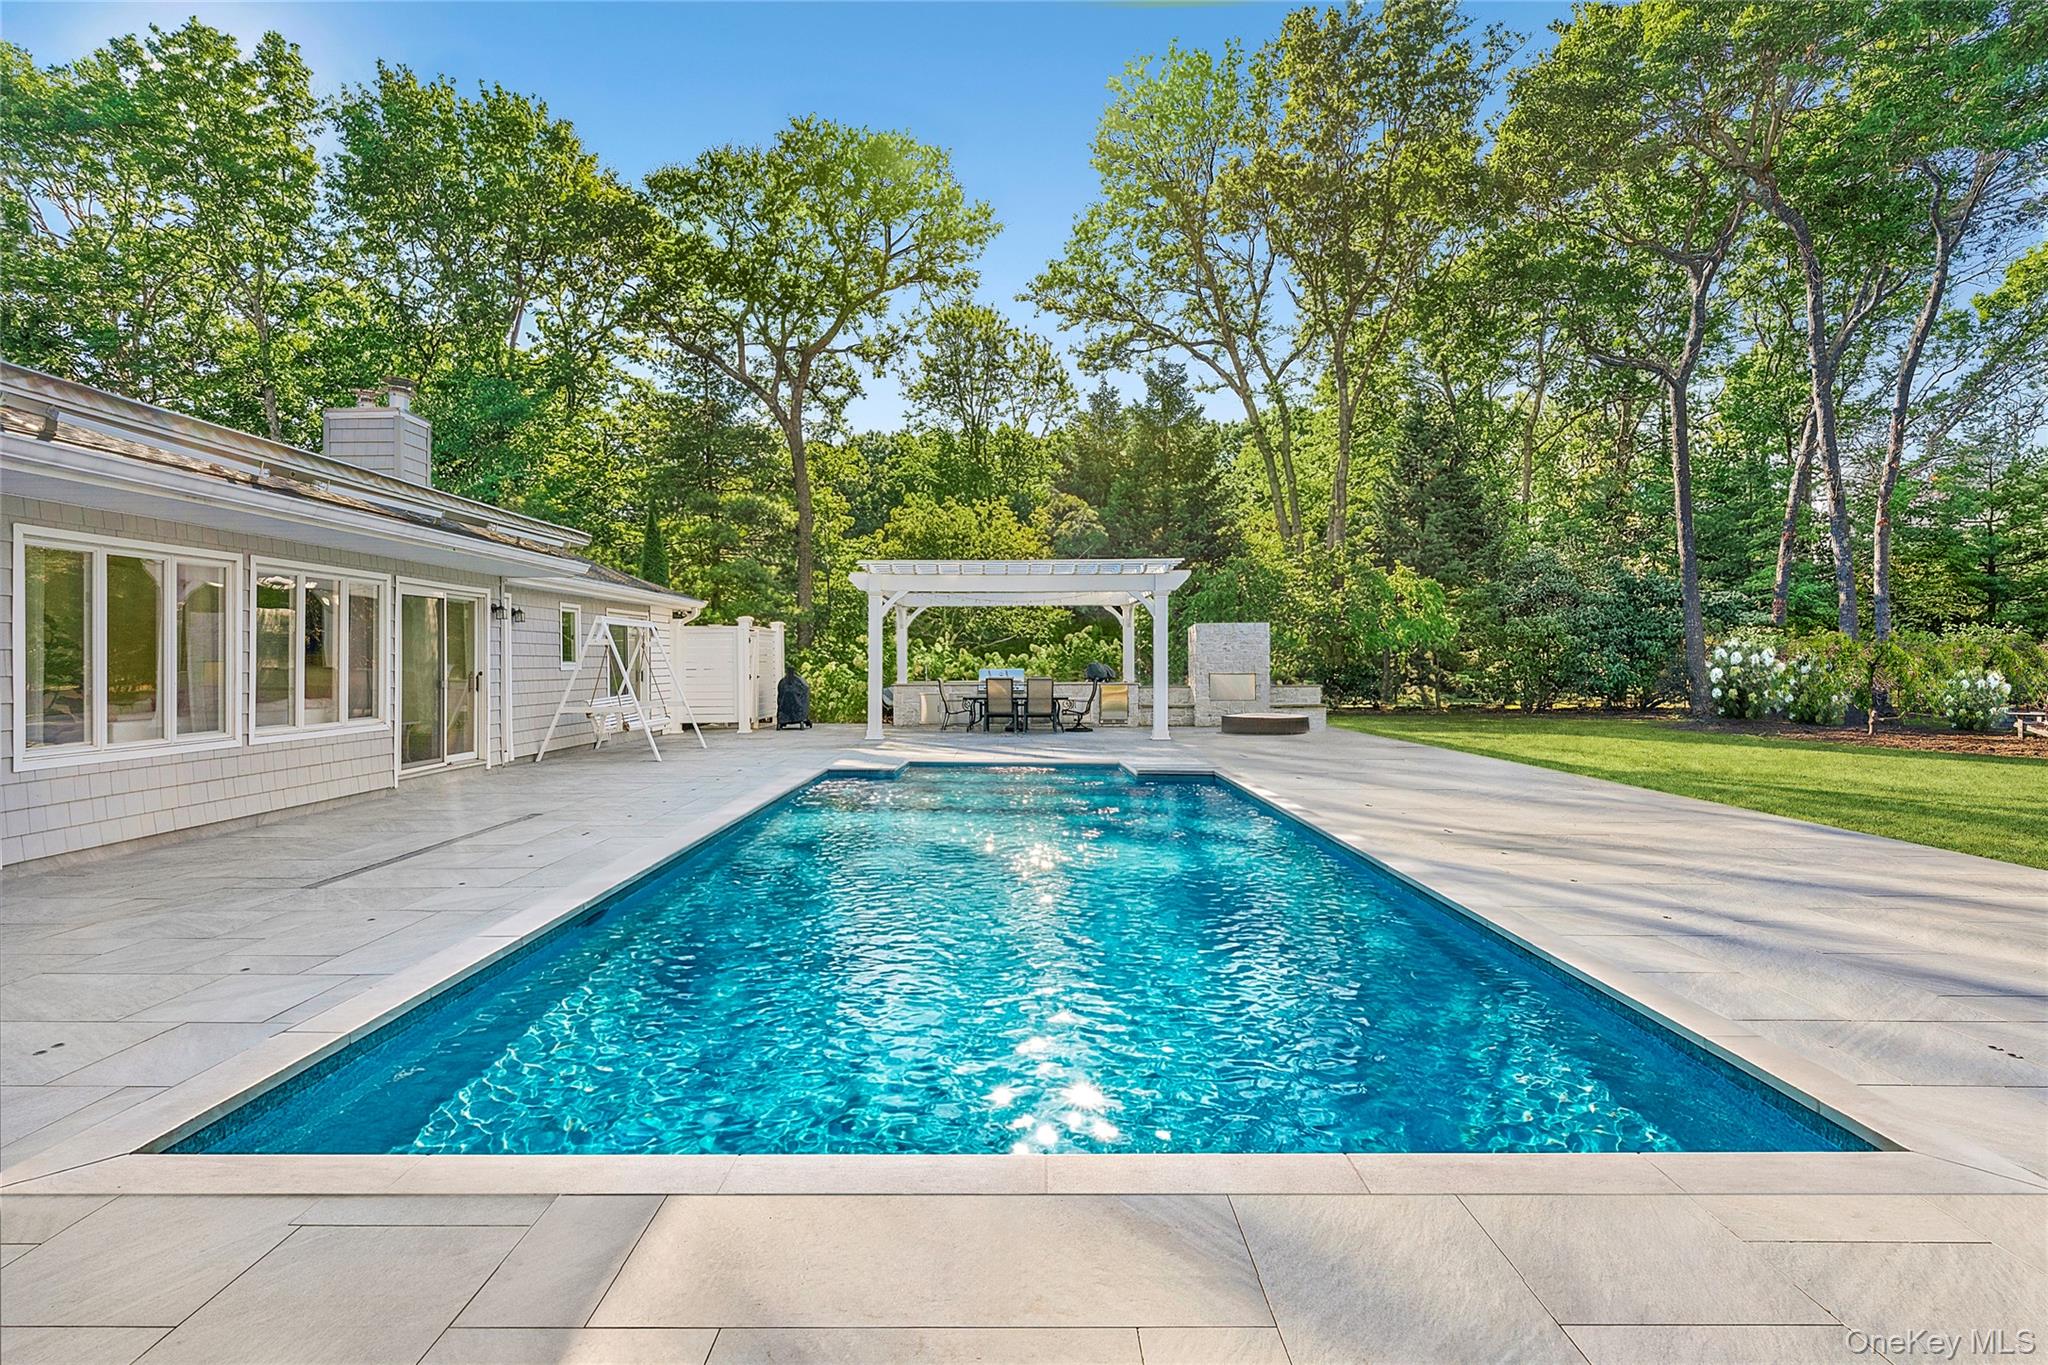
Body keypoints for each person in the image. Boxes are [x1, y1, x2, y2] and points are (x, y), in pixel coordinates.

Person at [776, 665, 812, 729]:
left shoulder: (783, 682)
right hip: (798, 710)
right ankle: (800, 718)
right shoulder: (799, 682)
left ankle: (783, 720)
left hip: (784, 711)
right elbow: (805, 689)